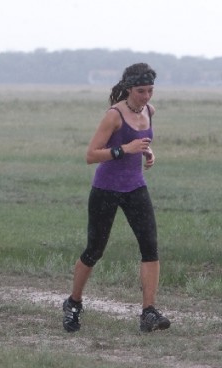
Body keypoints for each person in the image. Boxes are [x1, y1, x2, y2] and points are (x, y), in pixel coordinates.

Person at [62, 63, 170, 333]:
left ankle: (149, 312)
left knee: (150, 247)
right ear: (129, 88)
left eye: (150, 90)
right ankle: (73, 303)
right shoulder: (114, 115)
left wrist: (147, 152)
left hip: (136, 188)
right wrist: (125, 149)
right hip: (106, 189)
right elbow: (91, 155)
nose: (146, 96)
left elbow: (141, 142)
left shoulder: (149, 111)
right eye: (141, 91)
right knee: (94, 250)